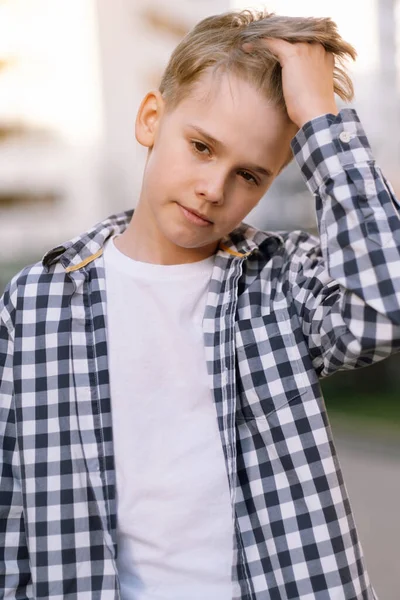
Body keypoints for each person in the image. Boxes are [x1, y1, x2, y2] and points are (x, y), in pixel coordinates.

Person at [1, 8, 399, 600]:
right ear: (150, 119)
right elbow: (10, 514)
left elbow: (385, 306)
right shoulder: (37, 303)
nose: (215, 188)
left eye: (249, 175)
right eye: (201, 146)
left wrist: (322, 120)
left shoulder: (282, 282)